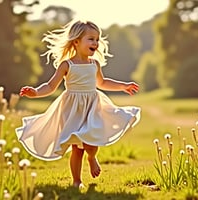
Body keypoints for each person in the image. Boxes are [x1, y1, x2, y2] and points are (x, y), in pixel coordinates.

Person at [16, 19, 141, 188]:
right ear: (76, 41)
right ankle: (76, 181)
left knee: (91, 141)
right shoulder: (67, 65)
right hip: (72, 109)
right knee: (76, 148)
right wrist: (36, 92)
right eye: (91, 39)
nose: (95, 43)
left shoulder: (94, 64)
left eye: (97, 39)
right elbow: (51, 86)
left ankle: (92, 157)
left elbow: (102, 83)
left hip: (92, 106)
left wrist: (122, 86)